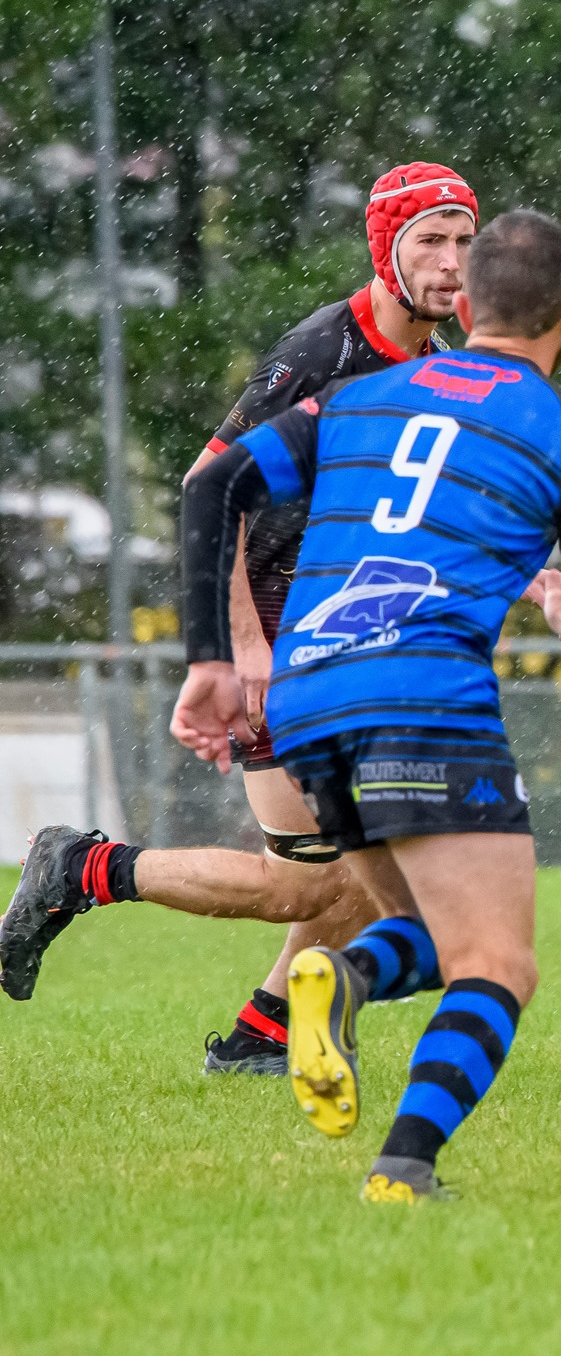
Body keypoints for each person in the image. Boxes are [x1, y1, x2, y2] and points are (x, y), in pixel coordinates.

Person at [169, 208, 561, 1202]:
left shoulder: (356, 394)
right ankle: (404, 1165)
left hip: (307, 700)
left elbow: (212, 488)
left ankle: (338, 978)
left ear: (464, 305)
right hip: (424, 696)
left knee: (430, 935)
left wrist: (212, 659)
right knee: (499, 964)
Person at [1, 164, 479, 1080]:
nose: (452, 261)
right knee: (310, 880)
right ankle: (84, 870)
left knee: (368, 865)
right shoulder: (321, 353)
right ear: (386, 246)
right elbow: (205, 489)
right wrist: (242, 651)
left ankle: (264, 1034)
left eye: (463, 241)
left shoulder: (434, 356)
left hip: (340, 635)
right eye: (431, 240)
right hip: (275, 627)